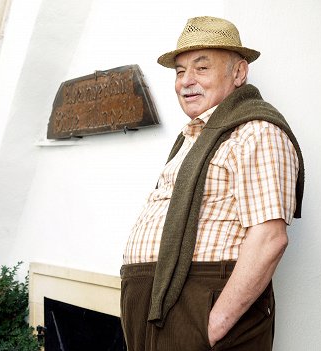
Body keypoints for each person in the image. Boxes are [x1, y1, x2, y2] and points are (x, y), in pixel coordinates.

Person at [120, 16, 304, 351]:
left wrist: (212, 326)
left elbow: (269, 239)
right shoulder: (194, 138)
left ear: (238, 73)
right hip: (161, 305)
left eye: (201, 68)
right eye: (179, 71)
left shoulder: (256, 131)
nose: (185, 81)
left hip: (199, 306)